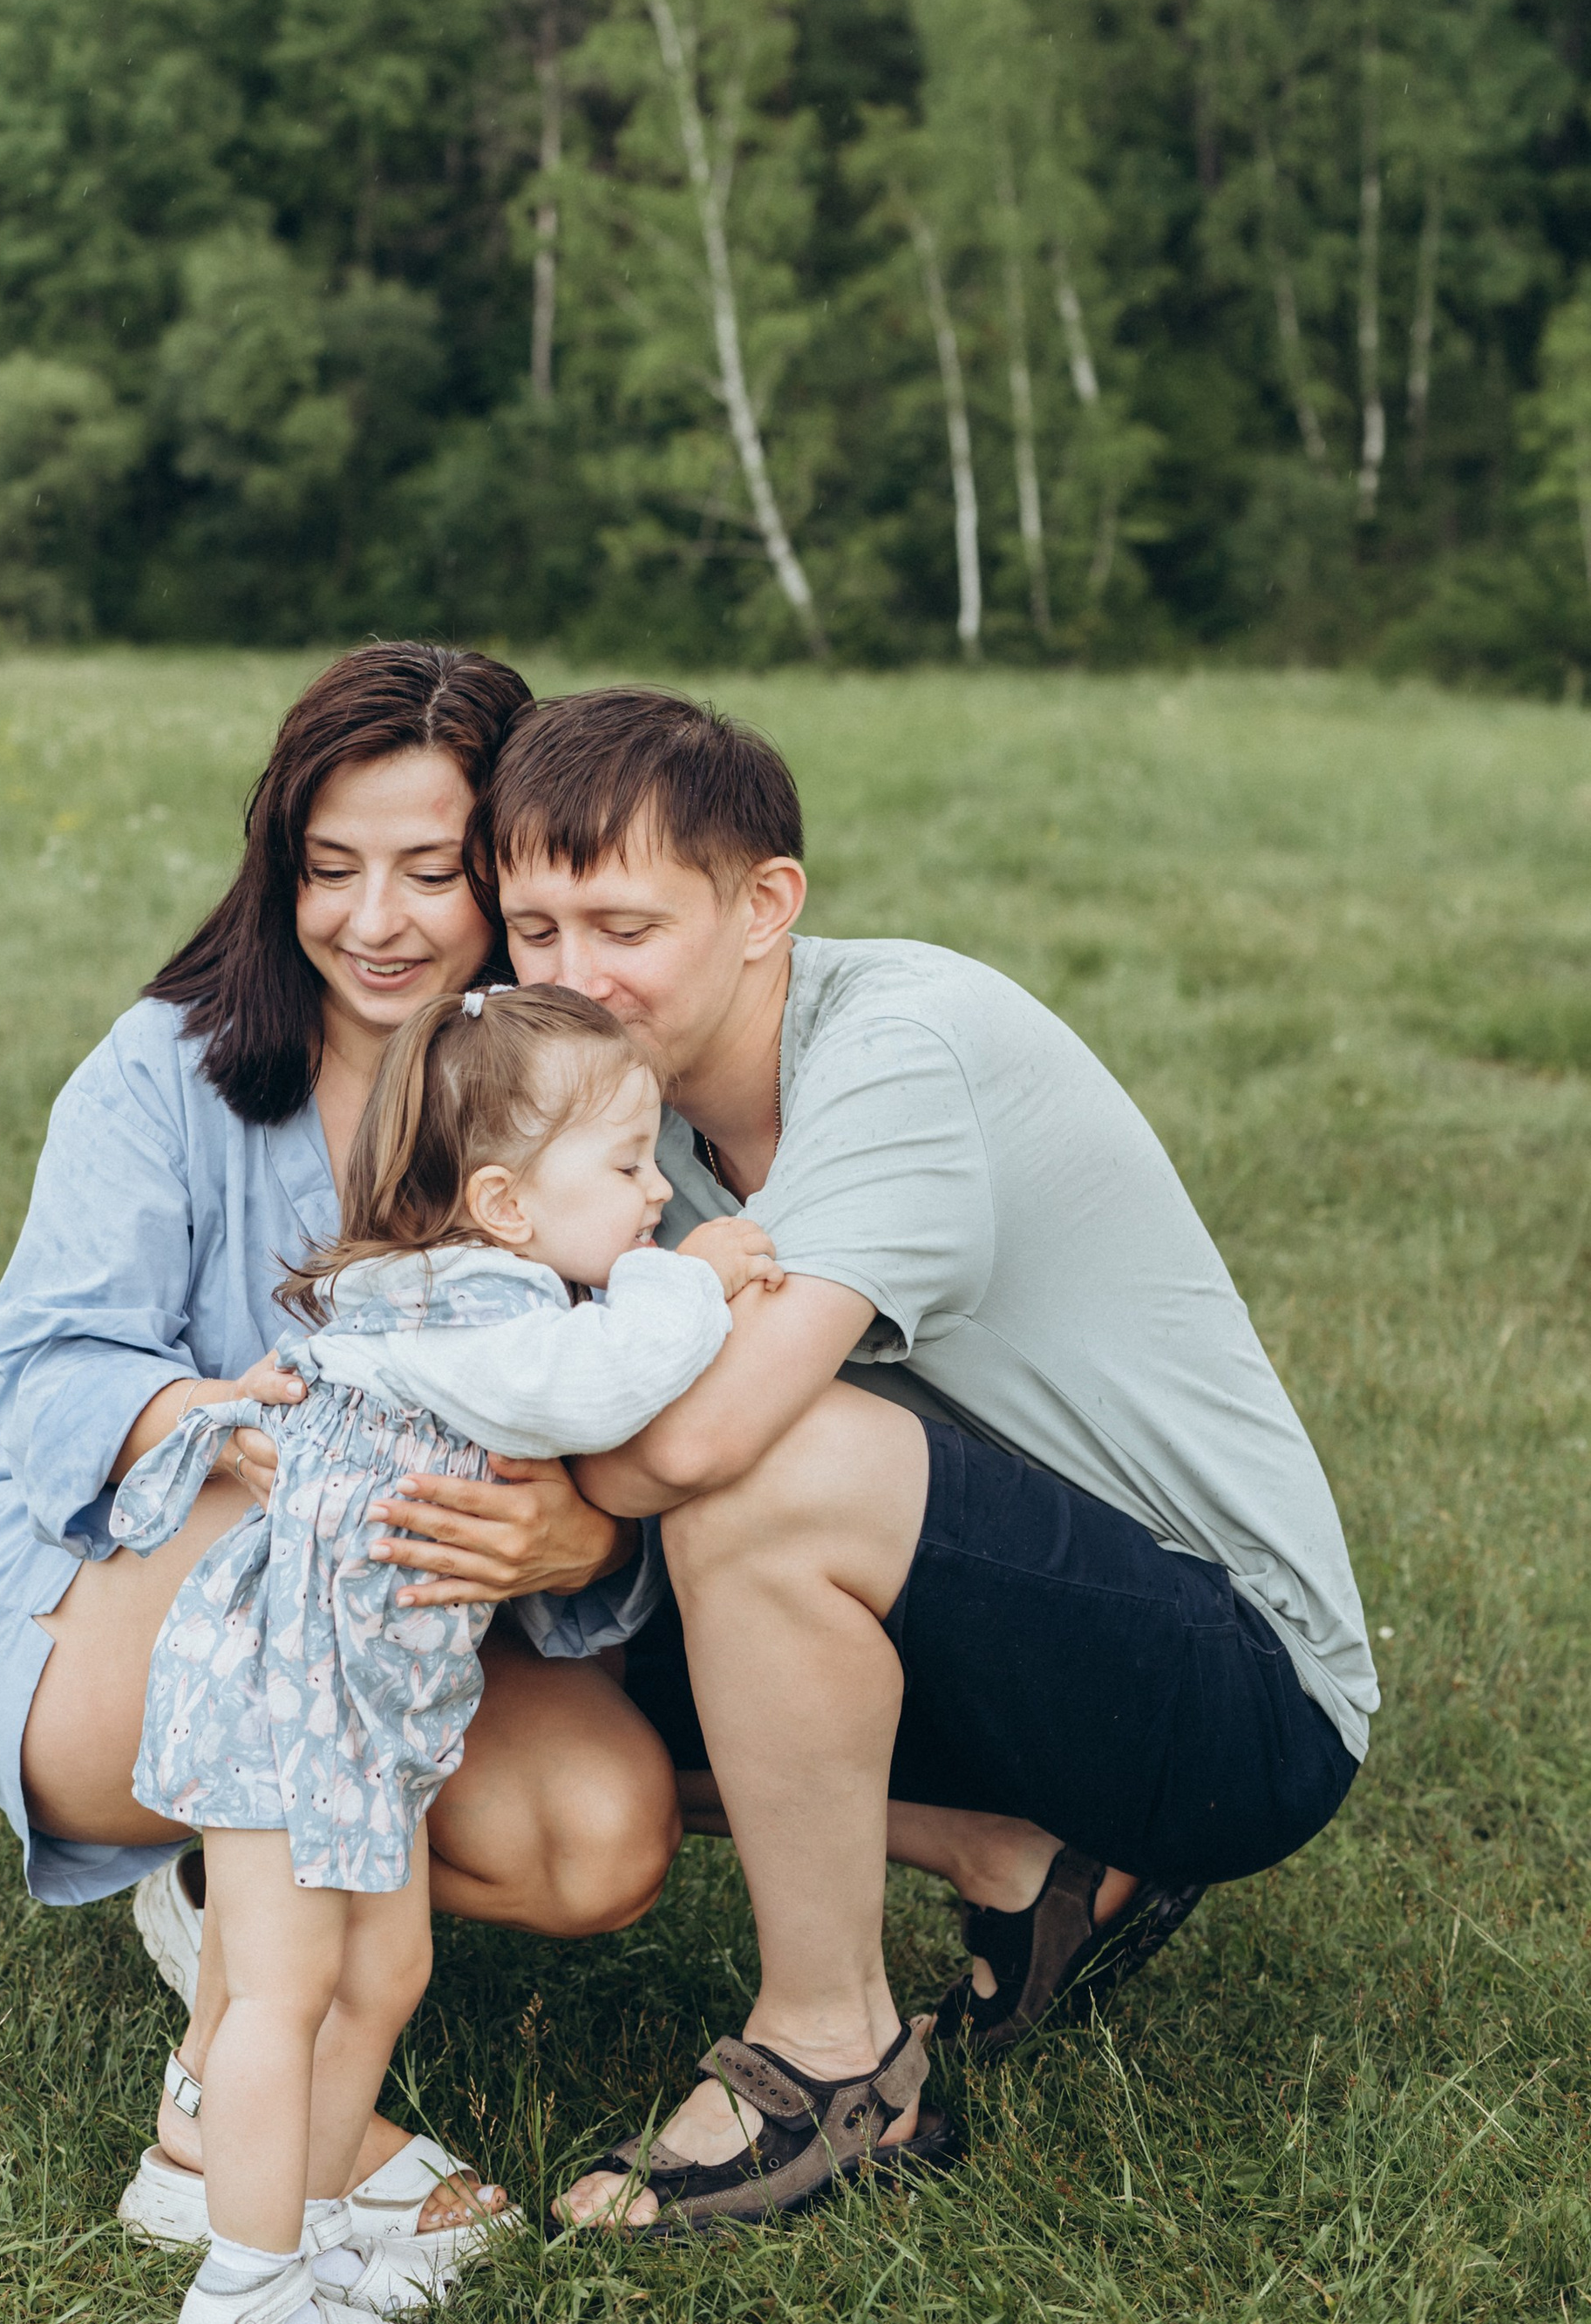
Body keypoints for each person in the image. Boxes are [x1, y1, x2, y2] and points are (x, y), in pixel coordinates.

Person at [445, 686, 1378, 2235]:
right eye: (532, 932)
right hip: (1007, 1623)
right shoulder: (634, 1118)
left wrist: (580, 1514)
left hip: (1239, 1696)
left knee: (754, 1478)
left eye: (621, 924)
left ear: (767, 906)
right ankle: (1023, 1859)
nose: (572, 980)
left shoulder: (901, 1048)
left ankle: (837, 2065)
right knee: (556, 1680)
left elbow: (701, 1438)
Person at [0, 644, 679, 2254]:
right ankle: (235, 2096)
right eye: (331, 869)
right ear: (281, 871)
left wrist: (578, 1544)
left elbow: (639, 1404)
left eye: (429, 871)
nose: (374, 920)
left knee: (595, 1833)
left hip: (395, 1609)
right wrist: (229, 1425)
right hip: (115, 1579)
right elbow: (45, 1361)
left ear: (507, 877)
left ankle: (217, 1924)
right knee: (277, 1558)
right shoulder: (169, 1067)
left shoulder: (587, 1106)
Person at [120, 982, 775, 2324]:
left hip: (362, 1714)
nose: (655, 1195)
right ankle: (238, 2299)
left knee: (387, 1972)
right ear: (504, 1202)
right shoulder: (484, 1311)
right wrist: (695, 1273)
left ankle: (308, 2228)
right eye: (625, 1168)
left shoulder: (475, 1287)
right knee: (282, 1994)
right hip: (295, 1704)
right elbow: (604, 1383)